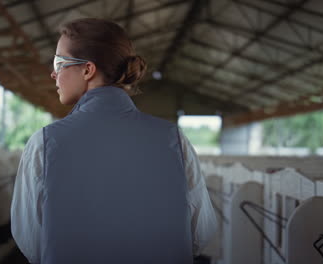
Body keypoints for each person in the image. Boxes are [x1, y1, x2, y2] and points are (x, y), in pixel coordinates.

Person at [11, 18, 217, 264]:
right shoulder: (174, 140)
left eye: (59, 62)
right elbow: (201, 233)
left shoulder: (44, 143)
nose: (53, 73)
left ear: (88, 70)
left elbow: (32, 244)